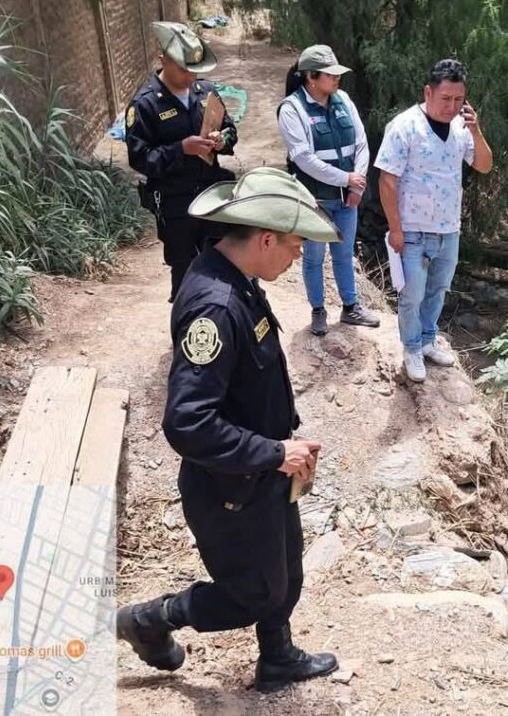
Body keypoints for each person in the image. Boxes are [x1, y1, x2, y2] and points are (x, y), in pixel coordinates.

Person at [116, 168, 339, 693]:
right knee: (252, 593)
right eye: (295, 245)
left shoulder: (237, 278)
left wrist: (279, 451)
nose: (297, 256)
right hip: (230, 484)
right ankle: (150, 620)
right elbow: (188, 422)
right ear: (265, 239)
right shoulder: (215, 307)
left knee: (286, 571)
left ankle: (278, 658)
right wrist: (273, 452)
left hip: (263, 469)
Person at [374, 59, 493, 382]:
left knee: (438, 289)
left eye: (458, 99)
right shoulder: (405, 125)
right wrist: (395, 229)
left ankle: (428, 339)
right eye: (445, 99)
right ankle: (411, 348)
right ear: (428, 92)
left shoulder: (461, 128)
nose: (451, 106)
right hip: (412, 228)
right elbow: (387, 180)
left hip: (448, 227)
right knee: (412, 293)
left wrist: (475, 129)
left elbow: (484, 165)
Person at [126, 21, 239, 301]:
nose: (191, 76)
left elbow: (229, 129)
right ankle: (186, 323)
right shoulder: (145, 104)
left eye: (195, 70)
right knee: (186, 277)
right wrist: (180, 149)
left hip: (213, 197)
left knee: (224, 269)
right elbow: (140, 158)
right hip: (176, 205)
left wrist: (222, 140)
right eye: (184, 69)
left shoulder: (206, 91)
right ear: (163, 60)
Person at [277, 45, 379, 336]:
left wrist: (357, 183)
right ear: (311, 77)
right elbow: (303, 158)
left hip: (347, 199)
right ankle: (318, 310)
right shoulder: (292, 109)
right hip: (315, 200)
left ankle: (351, 307)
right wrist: (345, 179)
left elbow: (361, 143)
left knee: (344, 254)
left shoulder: (343, 99)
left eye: (337, 73)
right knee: (313, 258)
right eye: (330, 74)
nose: (337, 78)